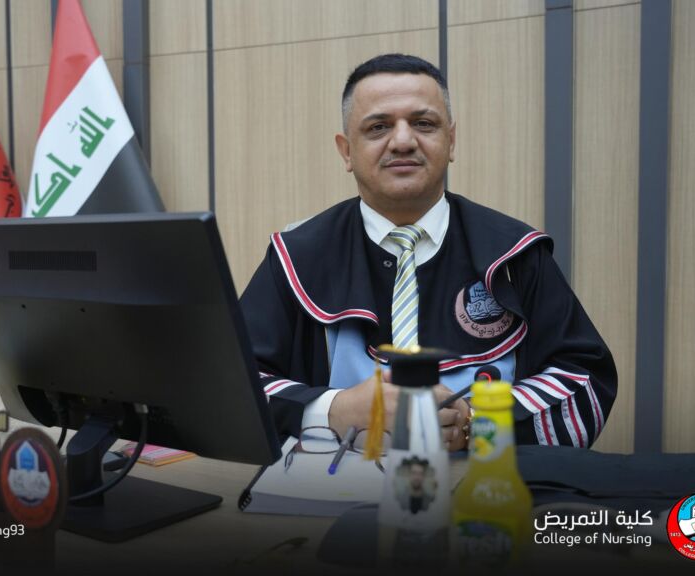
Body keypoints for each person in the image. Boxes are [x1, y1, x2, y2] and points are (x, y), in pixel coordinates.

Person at [239, 54, 617, 451]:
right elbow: (234, 387)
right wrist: (333, 410)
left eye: (423, 123)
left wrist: (477, 424)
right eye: (378, 127)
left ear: (451, 141)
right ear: (346, 151)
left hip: (482, 481)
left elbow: (586, 380)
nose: (403, 141)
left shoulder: (513, 253)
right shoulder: (297, 256)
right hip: (333, 481)